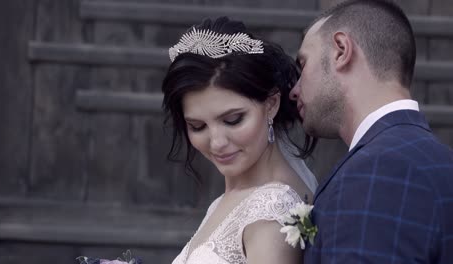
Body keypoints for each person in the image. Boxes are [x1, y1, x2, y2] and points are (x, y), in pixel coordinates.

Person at [289, 0, 453, 263]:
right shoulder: (440, 159)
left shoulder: (377, 171)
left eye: (303, 64)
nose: (294, 90)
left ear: (341, 50)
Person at [162, 17, 318, 264]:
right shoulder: (233, 196)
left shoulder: (272, 213)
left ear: (271, 104)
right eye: (197, 126)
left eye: (233, 120)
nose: (216, 143)